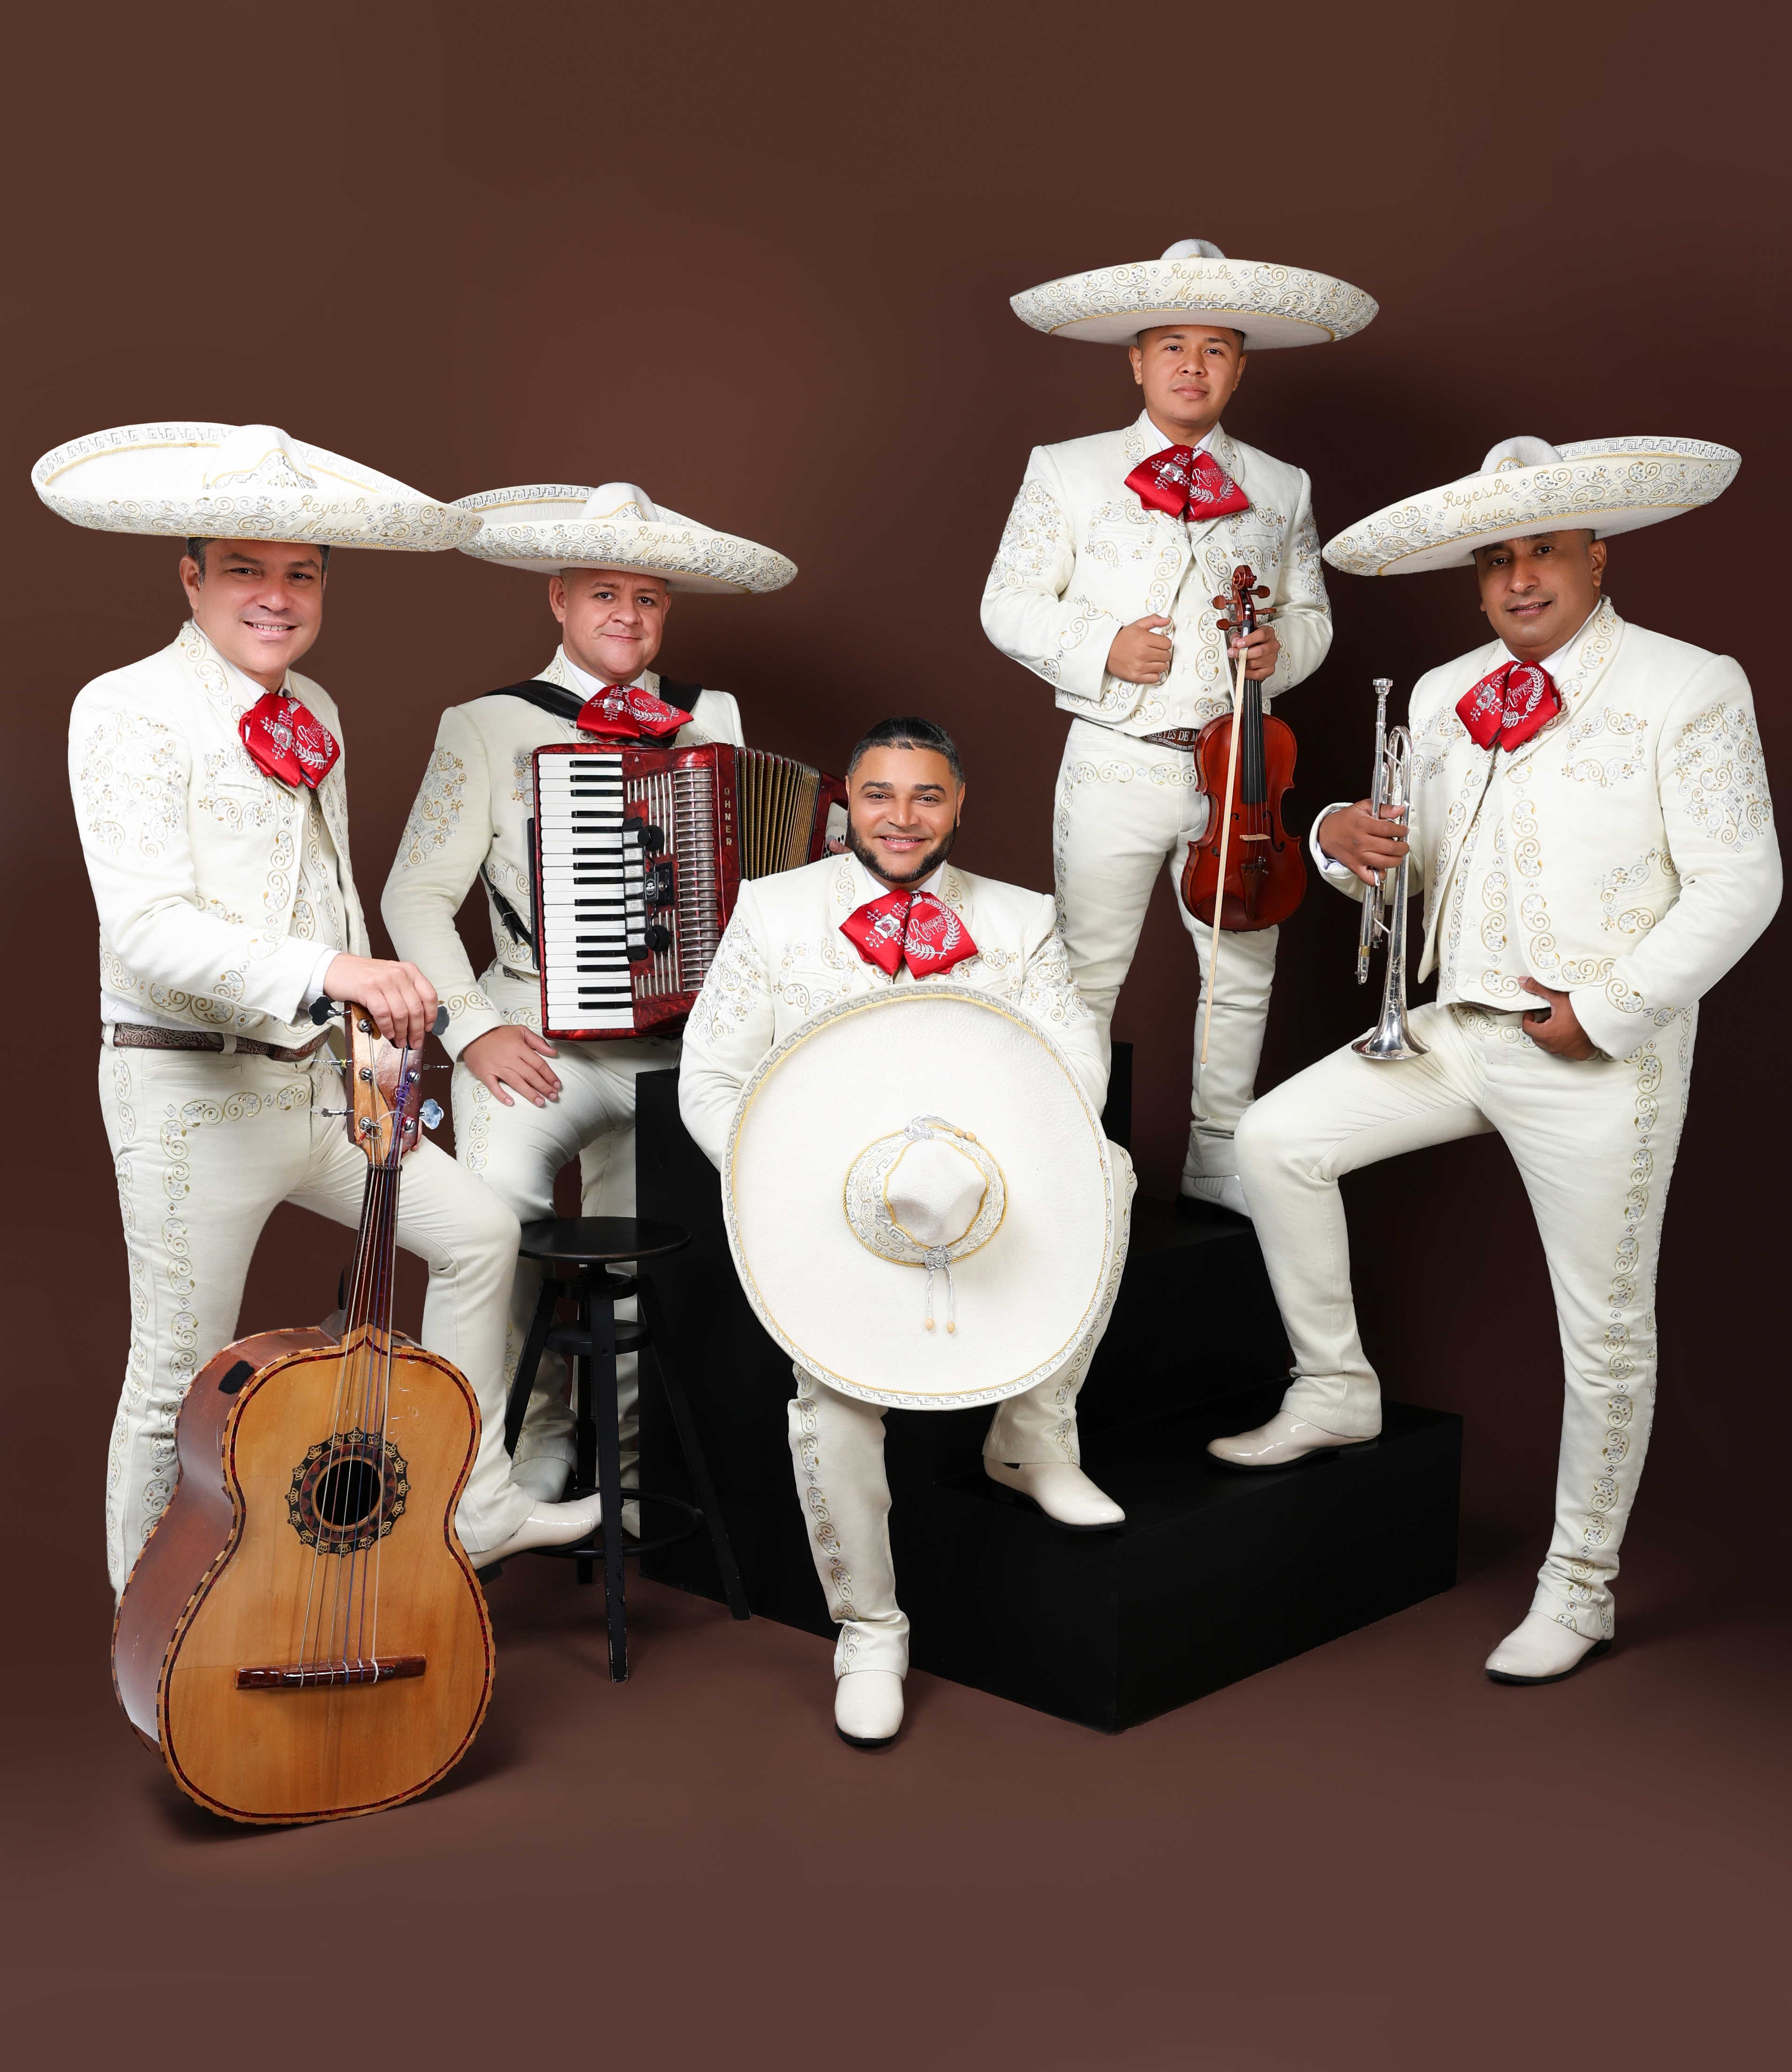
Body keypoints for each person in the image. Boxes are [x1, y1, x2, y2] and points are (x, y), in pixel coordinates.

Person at [1207, 434, 1780, 1683]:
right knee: (1273, 1141)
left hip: (1595, 1053)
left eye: (1544, 552)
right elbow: (1406, 871)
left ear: (1595, 555)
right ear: (1477, 579)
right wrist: (1333, 835)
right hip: (1454, 1028)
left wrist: (1611, 1009)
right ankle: (1336, 1383)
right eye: (1497, 559)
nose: (1521, 578)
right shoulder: (1439, 690)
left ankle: (1581, 1584)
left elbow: (1744, 880)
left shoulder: (1690, 685)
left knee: (1605, 1330)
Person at [46, 420, 603, 1594]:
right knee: (176, 1379)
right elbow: (145, 929)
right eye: (245, 569)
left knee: (481, 1234)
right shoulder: (127, 708)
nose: (275, 596)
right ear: (189, 576)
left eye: (300, 574)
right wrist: (335, 972)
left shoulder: (321, 711)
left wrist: (371, 1040)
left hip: (314, 1084)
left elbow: (336, 896)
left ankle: (480, 1506)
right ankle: (156, 1648)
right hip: (187, 1089)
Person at [679, 717, 1135, 1746]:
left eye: (926, 796)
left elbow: (1078, 1077)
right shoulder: (776, 909)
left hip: (977, 1196)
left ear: (959, 805)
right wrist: (782, 1180)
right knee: (832, 1401)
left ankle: (1030, 1439)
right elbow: (709, 1078)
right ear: (847, 799)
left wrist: (975, 1178)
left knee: (1110, 1169)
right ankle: (871, 1631)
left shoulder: (1021, 921)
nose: (902, 816)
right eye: (880, 794)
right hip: (823, 1206)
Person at [383, 482, 796, 1514]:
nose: (628, 615)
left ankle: (630, 1464)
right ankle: (514, 1460)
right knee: (496, 1224)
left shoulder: (713, 716)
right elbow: (414, 895)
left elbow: (745, 870)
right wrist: (471, 1033)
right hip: (536, 1039)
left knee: (649, 1251)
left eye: (650, 597)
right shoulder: (485, 724)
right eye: (604, 593)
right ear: (559, 600)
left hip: (678, 1046)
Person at [982, 237, 1377, 1216]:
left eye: (1213, 348)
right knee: (1085, 965)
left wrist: (1283, 652)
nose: (1191, 366)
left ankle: (1215, 1155)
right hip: (1117, 759)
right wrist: (1100, 647)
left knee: (1241, 965)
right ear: (1135, 360)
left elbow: (1314, 615)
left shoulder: (1282, 485)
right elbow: (1006, 603)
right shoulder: (1067, 470)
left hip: (1241, 767)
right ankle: (1070, 1151)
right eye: (1170, 346)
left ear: (1240, 365)